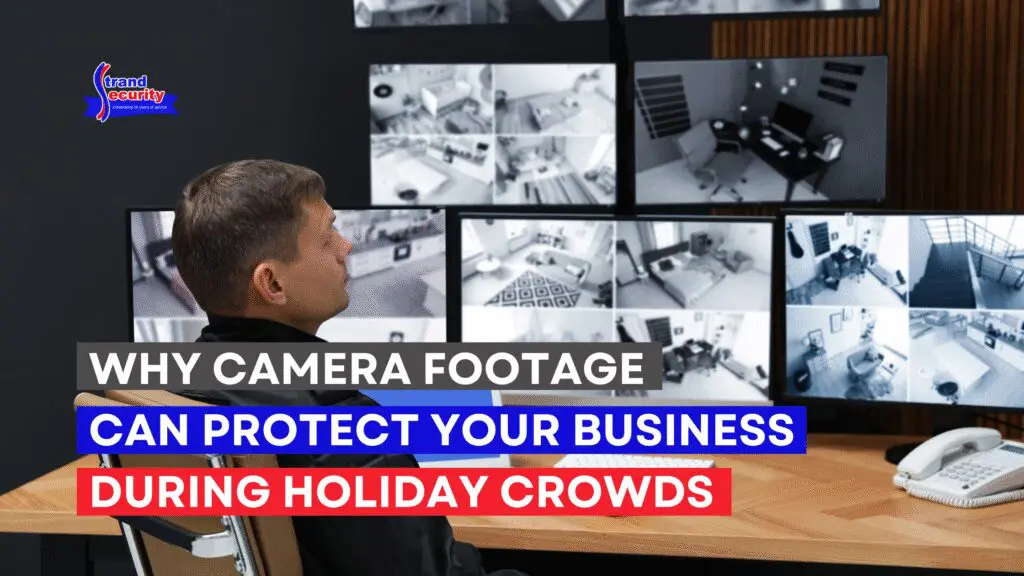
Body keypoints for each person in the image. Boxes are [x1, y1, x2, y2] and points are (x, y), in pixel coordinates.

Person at [170, 159, 524, 576]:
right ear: (273, 284)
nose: (346, 247)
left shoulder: (174, 393)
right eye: (327, 237)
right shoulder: (342, 431)